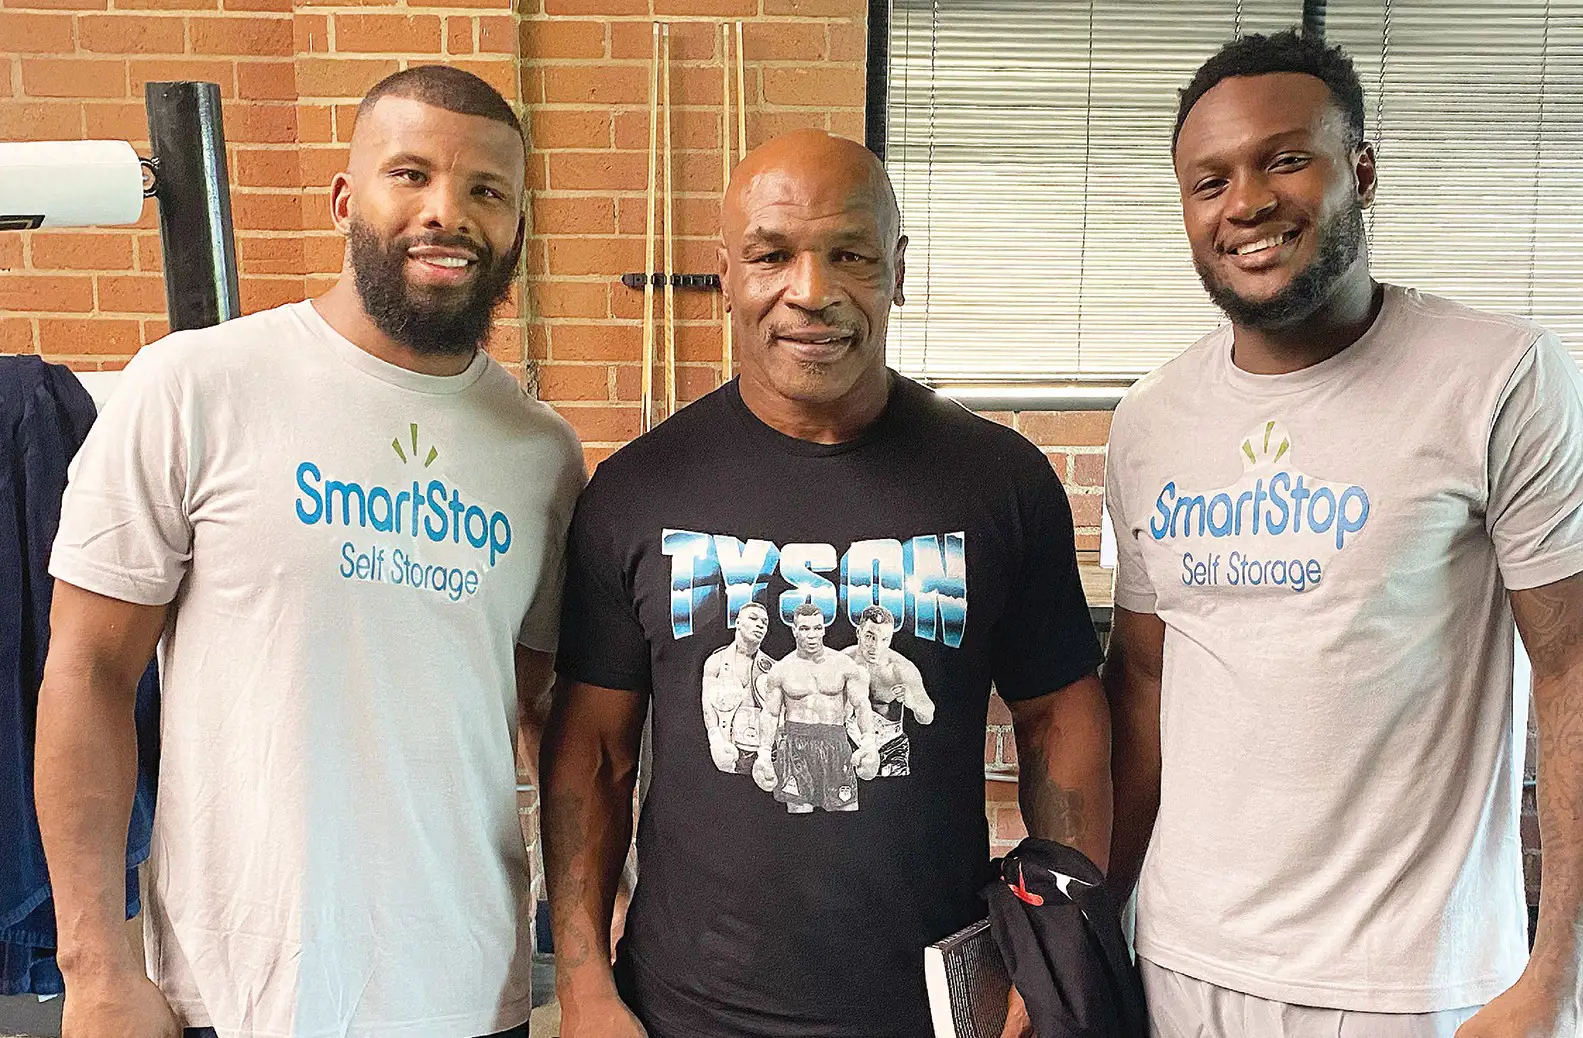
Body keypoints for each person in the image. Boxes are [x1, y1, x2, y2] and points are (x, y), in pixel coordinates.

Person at [34, 66, 584, 1038]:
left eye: (485, 190)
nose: (445, 212)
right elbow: (86, 673)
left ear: (516, 231)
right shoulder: (197, 386)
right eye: (409, 174)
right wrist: (93, 964)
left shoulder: (541, 453)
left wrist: (590, 954)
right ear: (343, 200)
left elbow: (539, 715)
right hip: (239, 991)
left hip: (467, 992)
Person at [541, 129, 1112, 1038]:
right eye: (772, 255)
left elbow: (1059, 718)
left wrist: (1054, 951)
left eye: (849, 254)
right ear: (726, 275)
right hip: (685, 1009)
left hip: (931, 1008)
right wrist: (582, 987)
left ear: (897, 270)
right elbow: (595, 754)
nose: (810, 291)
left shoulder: (998, 482)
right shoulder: (637, 492)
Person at [1103, 30, 1583, 1038]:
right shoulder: (1149, 419)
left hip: (1409, 987)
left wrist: (1557, 975)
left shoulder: (1497, 377)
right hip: (1180, 968)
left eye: (1284, 159)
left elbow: (1569, 667)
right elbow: (1141, 684)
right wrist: (1101, 921)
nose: (1244, 203)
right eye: (1208, 181)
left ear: (1359, 172)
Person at [752, 600, 877, 812]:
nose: (812, 635)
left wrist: (869, 742)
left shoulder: (843, 665)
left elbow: (861, 705)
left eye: (817, 628)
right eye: (804, 628)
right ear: (794, 630)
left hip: (835, 743)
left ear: (824, 629)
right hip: (795, 746)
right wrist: (763, 752)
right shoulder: (781, 670)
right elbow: (771, 714)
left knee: (845, 810)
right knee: (799, 813)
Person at [846, 603, 934, 776]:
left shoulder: (901, 669)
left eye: (884, 639)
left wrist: (914, 704)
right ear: (858, 632)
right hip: (849, 741)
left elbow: (928, 717)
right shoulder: (843, 663)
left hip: (890, 745)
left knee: (895, 789)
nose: (876, 646)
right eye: (870, 637)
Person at [701, 599, 773, 774]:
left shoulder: (773, 668)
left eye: (764, 622)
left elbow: (777, 714)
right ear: (738, 623)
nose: (760, 625)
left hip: (760, 750)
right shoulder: (716, 661)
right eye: (753, 618)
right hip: (727, 743)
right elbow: (707, 705)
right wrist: (715, 740)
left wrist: (766, 752)